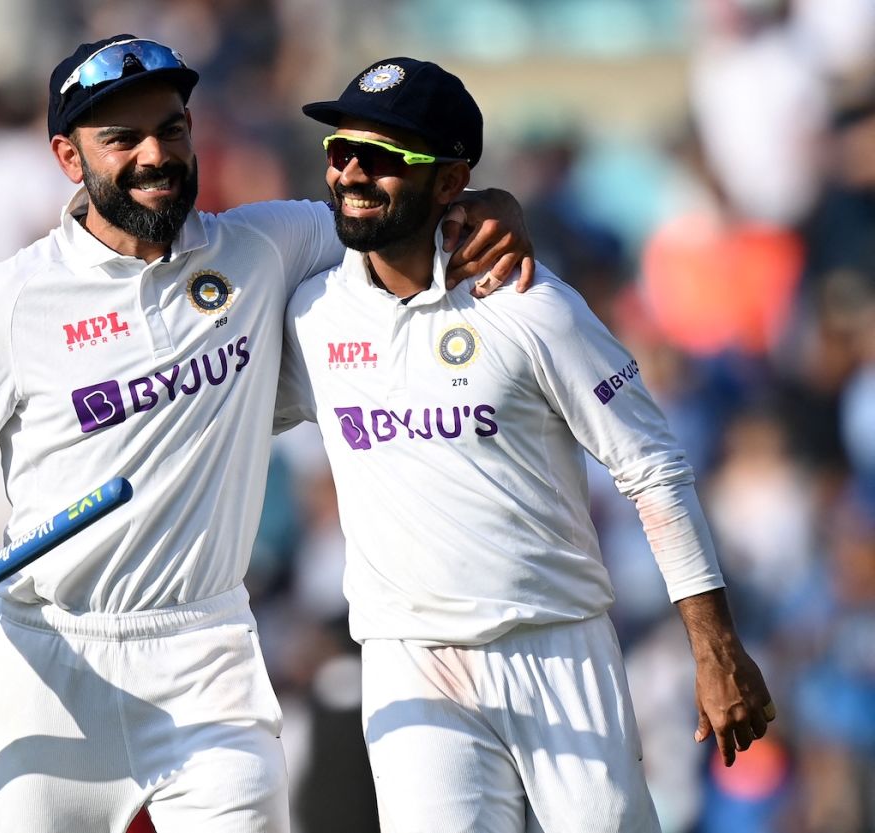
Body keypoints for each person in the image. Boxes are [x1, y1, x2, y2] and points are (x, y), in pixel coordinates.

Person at [0, 35, 534, 833]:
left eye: (171, 129)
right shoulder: (9, 300)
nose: (156, 155)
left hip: (207, 653)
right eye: (123, 139)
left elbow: (389, 215)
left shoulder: (267, 244)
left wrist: (484, 207)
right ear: (69, 159)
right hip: (54, 665)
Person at [275, 57, 776, 832]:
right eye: (339, 151)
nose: (349, 172)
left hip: (555, 644)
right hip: (409, 658)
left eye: (380, 158)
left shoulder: (531, 303)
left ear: (450, 182)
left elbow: (651, 466)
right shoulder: (310, 312)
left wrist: (713, 646)